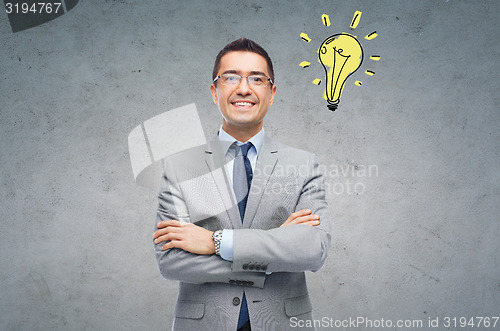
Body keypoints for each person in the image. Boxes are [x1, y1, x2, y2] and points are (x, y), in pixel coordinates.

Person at [153, 38, 332, 331]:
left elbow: (313, 250)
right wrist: (274, 250)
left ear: (271, 93)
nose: (244, 88)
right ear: (215, 91)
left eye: (257, 79)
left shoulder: (303, 164)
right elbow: (171, 261)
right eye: (231, 77)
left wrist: (216, 243)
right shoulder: (179, 166)